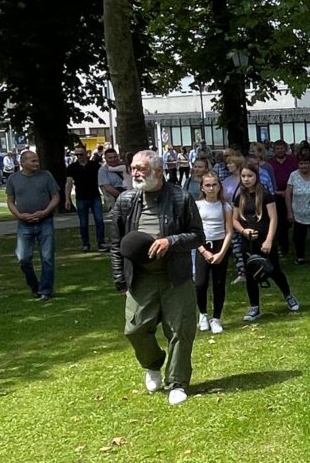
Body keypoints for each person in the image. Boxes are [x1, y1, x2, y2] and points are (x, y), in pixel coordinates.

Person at [109, 150, 202, 404]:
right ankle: (152, 364)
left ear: (159, 171)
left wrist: (170, 241)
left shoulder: (181, 198)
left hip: (176, 277)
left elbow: (197, 236)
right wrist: (120, 279)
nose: (136, 173)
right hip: (141, 278)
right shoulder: (126, 201)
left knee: (181, 330)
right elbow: (116, 243)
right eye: (133, 168)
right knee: (134, 329)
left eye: (142, 168)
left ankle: (177, 383)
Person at [233, 162, 300, 322]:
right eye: (243, 176)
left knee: (273, 270)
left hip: (265, 240)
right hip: (248, 242)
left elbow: (273, 218)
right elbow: (234, 220)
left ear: (256, 176)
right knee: (250, 275)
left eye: (250, 176)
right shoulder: (239, 197)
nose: (247, 179)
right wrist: (244, 231)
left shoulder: (265, 194)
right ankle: (254, 306)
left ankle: (288, 296)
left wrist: (269, 239)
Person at [5, 149, 61, 300]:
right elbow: (10, 201)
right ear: (23, 163)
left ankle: (46, 290)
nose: (37, 163)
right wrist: (19, 215)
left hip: (45, 221)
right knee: (23, 258)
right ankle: (34, 286)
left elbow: (56, 197)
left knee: (47, 258)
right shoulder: (14, 178)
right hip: (24, 224)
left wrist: (45, 211)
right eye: (33, 161)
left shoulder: (46, 176)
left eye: (37, 160)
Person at [194, 170, 234, 334]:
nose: (211, 188)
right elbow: (194, 232)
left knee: (219, 284)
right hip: (203, 246)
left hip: (220, 246)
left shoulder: (225, 206)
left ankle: (216, 318)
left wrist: (221, 253)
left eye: (214, 185)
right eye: (208, 185)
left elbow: (229, 231)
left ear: (219, 186)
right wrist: (203, 251)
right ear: (202, 188)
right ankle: (203, 314)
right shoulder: (197, 206)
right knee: (200, 284)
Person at [64, 143, 107, 251]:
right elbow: (68, 183)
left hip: (95, 196)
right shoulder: (72, 167)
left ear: (86, 154)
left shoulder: (95, 165)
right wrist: (67, 199)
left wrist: (105, 196)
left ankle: (101, 243)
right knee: (83, 223)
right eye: (77, 155)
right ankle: (86, 244)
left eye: (81, 154)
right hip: (81, 198)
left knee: (99, 221)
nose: (79, 157)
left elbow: (101, 181)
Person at [286, 150, 310, 265]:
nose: (303, 166)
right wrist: (289, 212)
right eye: (301, 164)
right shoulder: (293, 175)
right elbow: (288, 194)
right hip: (298, 213)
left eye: (305, 163)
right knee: (298, 237)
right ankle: (300, 256)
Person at [269, 139, 298, 256]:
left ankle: (297, 246)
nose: (280, 150)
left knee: (293, 221)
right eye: (277, 149)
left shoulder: (293, 161)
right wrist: (276, 191)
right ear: (274, 150)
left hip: (293, 194)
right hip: (276, 195)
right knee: (280, 222)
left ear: (285, 149)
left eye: (281, 148)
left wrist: (288, 191)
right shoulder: (270, 163)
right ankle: (283, 246)